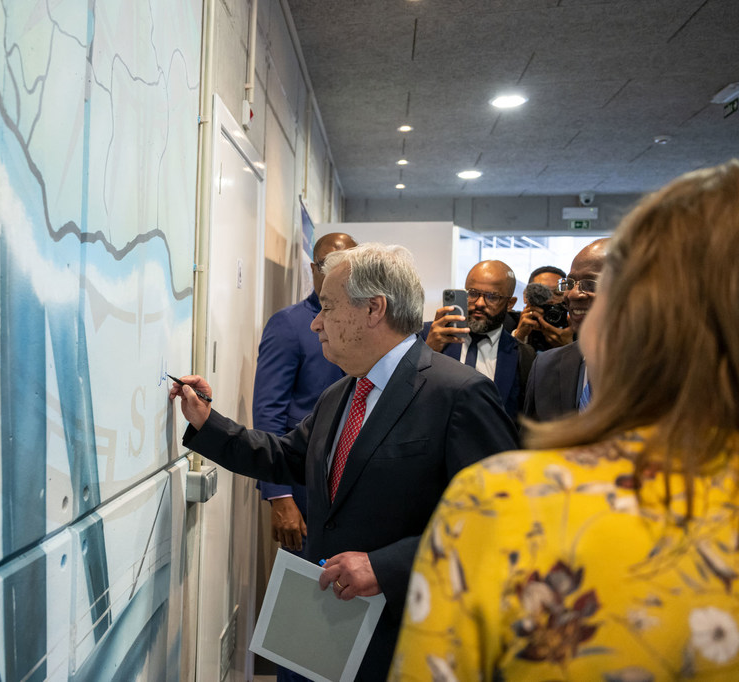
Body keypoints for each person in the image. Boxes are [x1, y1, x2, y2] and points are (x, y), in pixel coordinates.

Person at [390, 160, 739, 681]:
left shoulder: (496, 505)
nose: (575, 299)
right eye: (572, 285)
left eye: (600, 288)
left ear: (629, 316)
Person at [170, 243, 518, 680]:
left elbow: (499, 521)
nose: (316, 322)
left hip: (402, 636)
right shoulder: (343, 392)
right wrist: (206, 423)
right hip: (324, 624)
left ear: (374, 309)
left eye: (328, 307)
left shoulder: (458, 394)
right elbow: (291, 458)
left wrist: (385, 566)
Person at [254, 232, 356, 682]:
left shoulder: (363, 323)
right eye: (329, 262)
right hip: (302, 494)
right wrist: (279, 497)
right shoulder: (290, 325)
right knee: (302, 625)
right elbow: (268, 414)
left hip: (351, 497)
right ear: (313, 269)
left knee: (345, 617)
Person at [422, 260, 536, 422]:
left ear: (510, 304)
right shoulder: (427, 336)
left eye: (492, 297)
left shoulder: (522, 355)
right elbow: (399, 394)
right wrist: (428, 351)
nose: (480, 304)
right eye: (473, 293)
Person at [521, 239, 608, 421]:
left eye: (590, 284)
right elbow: (532, 444)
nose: (572, 294)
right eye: (569, 283)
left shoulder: (666, 368)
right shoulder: (546, 366)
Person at [512, 265, 574, 351]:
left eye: (558, 293)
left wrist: (569, 347)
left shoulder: (577, 329)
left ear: (567, 298)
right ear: (526, 297)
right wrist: (519, 337)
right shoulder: (508, 324)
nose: (550, 300)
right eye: (541, 294)